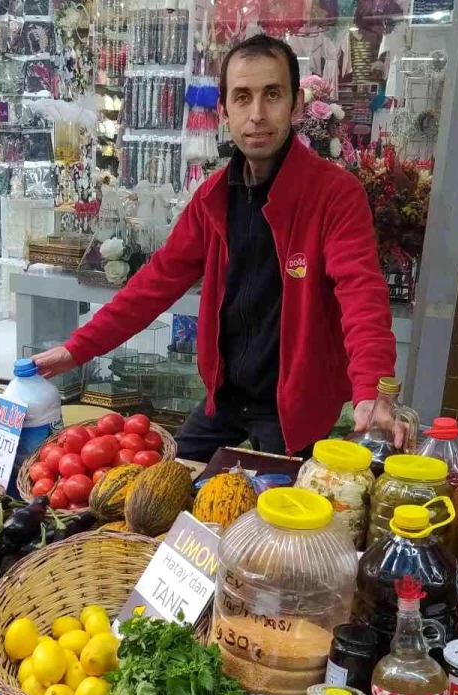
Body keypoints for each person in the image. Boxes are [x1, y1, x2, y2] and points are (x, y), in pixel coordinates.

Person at [33, 33, 398, 460]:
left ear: (297, 104)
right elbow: (155, 283)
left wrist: (372, 389)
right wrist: (77, 348)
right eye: (242, 97)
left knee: (271, 519)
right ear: (223, 110)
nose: (257, 114)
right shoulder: (212, 198)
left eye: (272, 95)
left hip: (293, 412)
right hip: (223, 402)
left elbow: (361, 293)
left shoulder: (334, 194)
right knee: (166, 488)